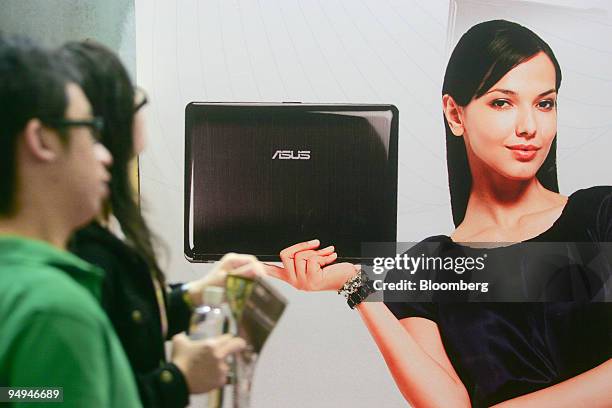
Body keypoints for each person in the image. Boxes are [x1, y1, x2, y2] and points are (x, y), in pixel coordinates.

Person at [267, 20, 612, 407]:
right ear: (455, 114)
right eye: (502, 102)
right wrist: (357, 285)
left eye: (544, 103)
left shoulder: (600, 217)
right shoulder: (424, 269)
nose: (529, 126)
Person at [60, 41, 262, 408]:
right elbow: (57, 397)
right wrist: (176, 380)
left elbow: (122, 324)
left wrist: (191, 296)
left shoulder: (96, 231)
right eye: (128, 94)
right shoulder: (74, 257)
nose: (141, 102)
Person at [0, 34, 141, 407]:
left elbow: (18, 394)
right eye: (89, 129)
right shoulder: (55, 311)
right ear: (42, 140)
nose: (104, 154)